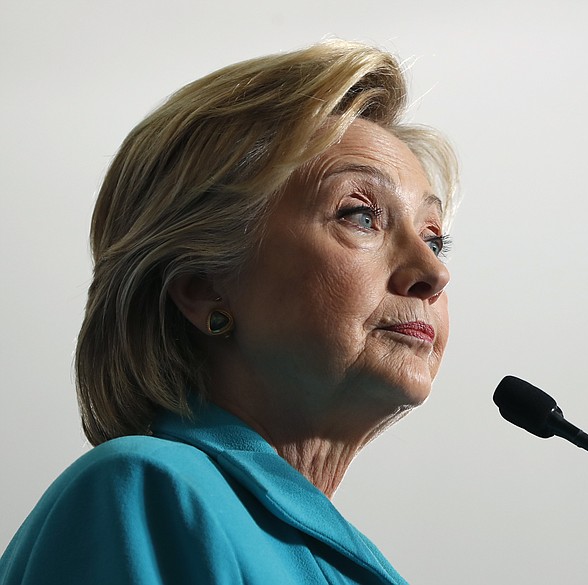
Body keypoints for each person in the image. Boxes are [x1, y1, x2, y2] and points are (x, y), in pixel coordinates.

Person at [0, 40, 458, 584]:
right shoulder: (145, 493)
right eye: (361, 216)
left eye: (435, 239)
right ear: (202, 288)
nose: (432, 272)